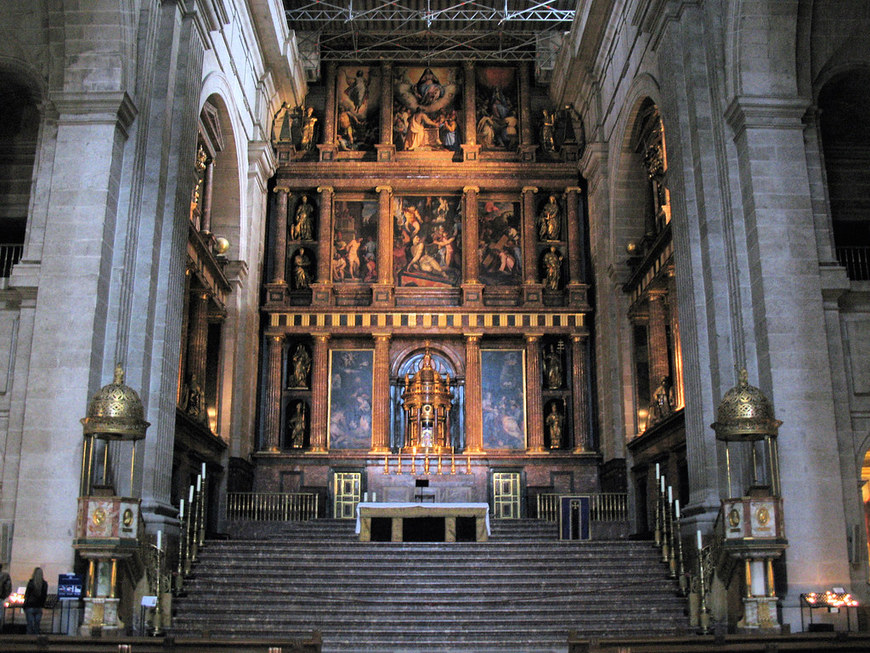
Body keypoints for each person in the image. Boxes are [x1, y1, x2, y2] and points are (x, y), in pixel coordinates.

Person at [23, 566, 47, 635]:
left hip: (30, 606)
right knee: (37, 626)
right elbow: (44, 596)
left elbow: (26, 595)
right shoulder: (44, 584)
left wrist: (24, 605)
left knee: (30, 626)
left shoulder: (31, 583)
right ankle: (36, 641)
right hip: (39, 607)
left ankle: (28, 642)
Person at [0, 564, 11, 631]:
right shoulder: (5, 576)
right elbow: (8, 587)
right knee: (0, 615)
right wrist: (5, 596)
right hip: (0, 598)